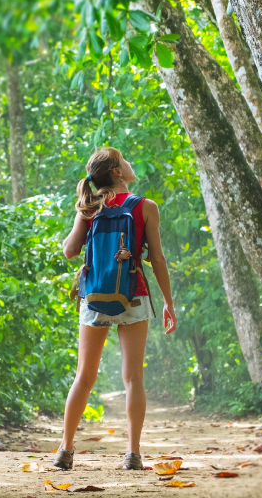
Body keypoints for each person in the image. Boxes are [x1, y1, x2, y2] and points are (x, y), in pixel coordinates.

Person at [53, 147, 177, 471]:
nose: (130, 163)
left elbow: (69, 251)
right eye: (124, 160)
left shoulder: (90, 207)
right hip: (133, 296)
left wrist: (83, 211)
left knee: (84, 376)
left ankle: (65, 450)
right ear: (118, 172)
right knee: (133, 378)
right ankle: (132, 454)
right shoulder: (145, 207)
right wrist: (168, 302)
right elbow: (158, 259)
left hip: (93, 297)